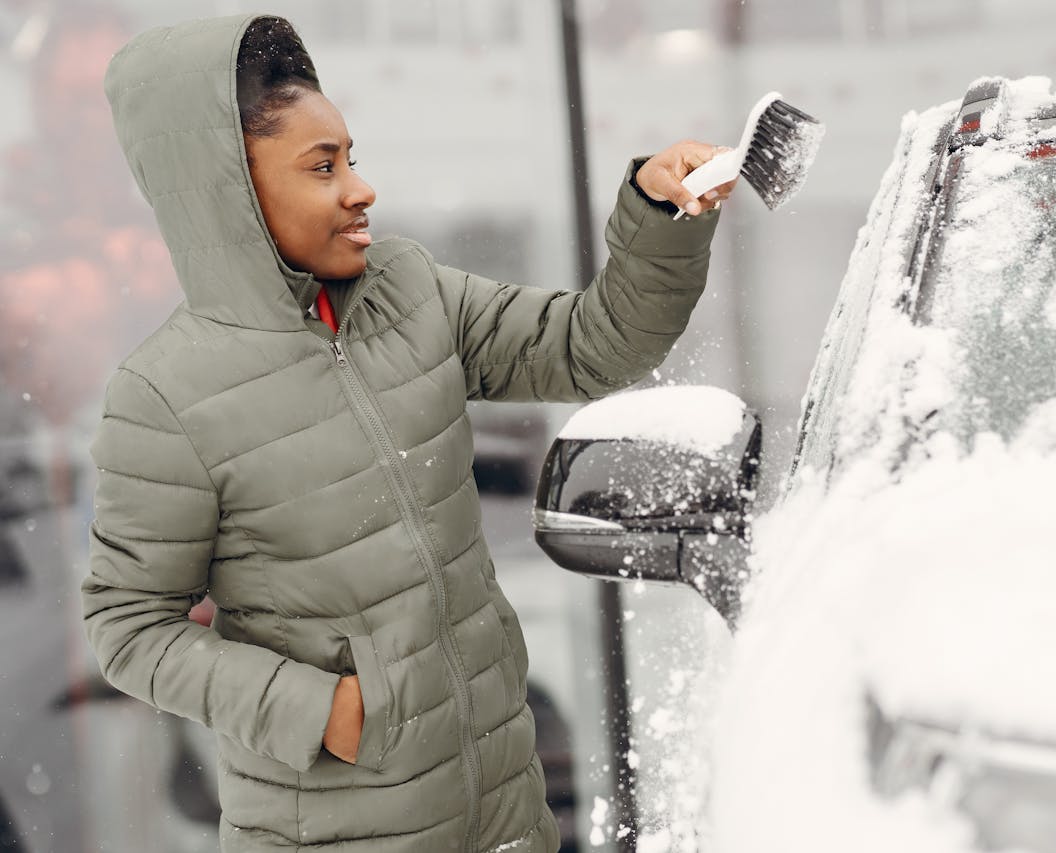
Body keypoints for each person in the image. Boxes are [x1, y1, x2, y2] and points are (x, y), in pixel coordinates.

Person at [79, 13, 734, 853]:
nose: (359, 188)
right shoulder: (166, 395)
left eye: (351, 157)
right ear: (232, 192)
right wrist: (324, 712)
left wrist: (656, 211)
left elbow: (591, 344)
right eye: (323, 168)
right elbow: (128, 625)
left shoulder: (408, 291)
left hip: (502, 812)